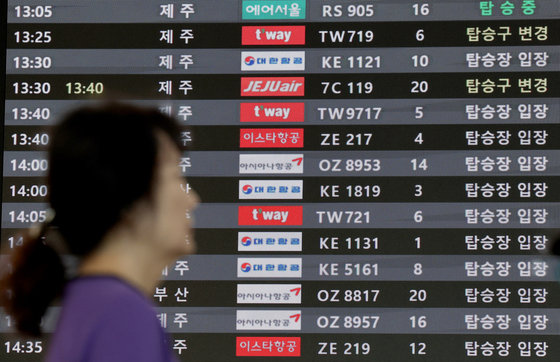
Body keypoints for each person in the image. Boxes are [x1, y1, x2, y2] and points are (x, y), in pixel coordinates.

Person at [0, 103, 198, 361]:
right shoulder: (123, 314)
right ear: (131, 199)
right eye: (176, 177)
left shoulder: (91, 303)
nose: (192, 199)